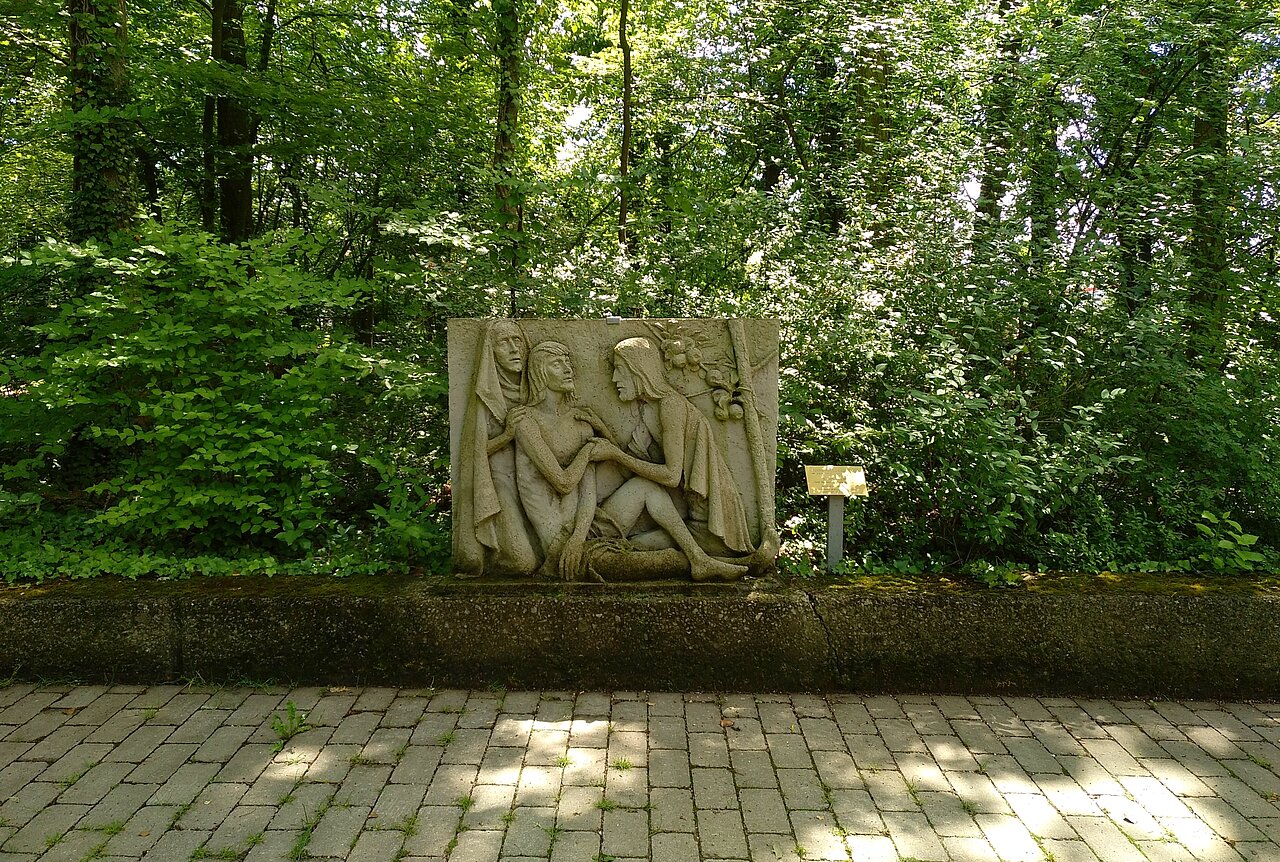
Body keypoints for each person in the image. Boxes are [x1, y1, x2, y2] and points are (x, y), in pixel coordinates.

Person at [588, 336, 751, 581]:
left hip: (709, 523)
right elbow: (629, 460)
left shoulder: (670, 406)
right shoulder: (648, 410)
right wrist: (601, 431)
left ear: (638, 371)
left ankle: (717, 560)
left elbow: (670, 475)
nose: (614, 380)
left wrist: (616, 455)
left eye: (619, 371)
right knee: (637, 547)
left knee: (640, 546)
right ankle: (736, 563)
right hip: (685, 519)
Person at [508, 341, 606, 579]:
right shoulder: (525, 420)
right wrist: (588, 451)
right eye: (557, 363)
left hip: (582, 528)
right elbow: (563, 483)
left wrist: (578, 538)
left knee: (649, 494)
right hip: (554, 539)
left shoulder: (581, 421)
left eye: (567, 362)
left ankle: (698, 555)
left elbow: (588, 492)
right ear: (540, 372)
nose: (567, 368)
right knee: (622, 564)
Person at [453, 320, 538, 576]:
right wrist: (508, 435)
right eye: (504, 343)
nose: (514, 349)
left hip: (538, 483)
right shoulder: (486, 396)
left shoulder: (537, 387)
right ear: (491, 350)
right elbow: (475, 454)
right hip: (501, 485)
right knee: (524, 563)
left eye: (517, 341)